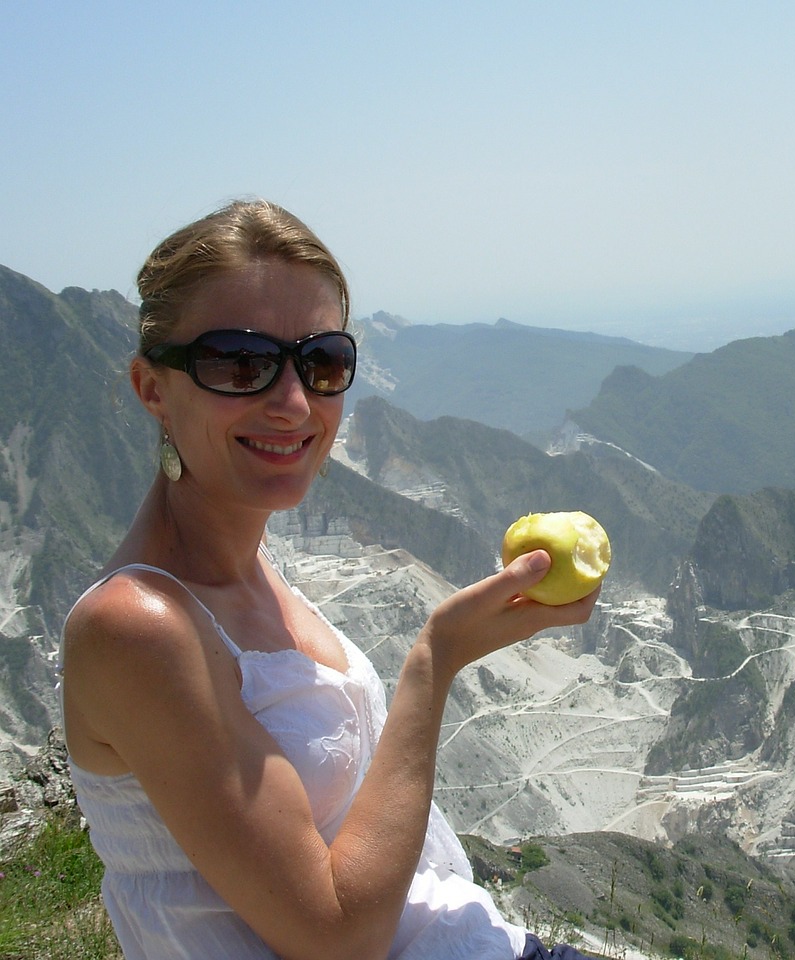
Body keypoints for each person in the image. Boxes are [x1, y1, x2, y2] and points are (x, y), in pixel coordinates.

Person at [59, 199, 601, 960]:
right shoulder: (137, 627)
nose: (292, 402)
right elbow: (337, 934)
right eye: (239, 362)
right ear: (152, 389)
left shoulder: (253, 573)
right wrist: (435, 658)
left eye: (321, 363)